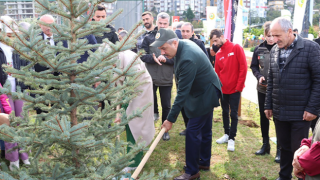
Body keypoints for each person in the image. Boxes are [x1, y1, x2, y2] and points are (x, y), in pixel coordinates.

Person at [152, 28, 221, 180]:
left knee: (192, 130)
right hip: (202, 88)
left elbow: (182, 93)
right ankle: (203, 161)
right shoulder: (181, 46)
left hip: (207, 92)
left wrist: (170, 119)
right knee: (204, 128)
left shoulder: (187, 58)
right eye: (160, 49)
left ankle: (192, 171)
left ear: (174, 43)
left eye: (164, 48)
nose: (162, 52)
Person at [264, 17, 320, 180]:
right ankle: (284, 176)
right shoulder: (275, 49)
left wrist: (312, 108)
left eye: (277, 35)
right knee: (284, 147)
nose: (274, 39)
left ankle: (301, 177)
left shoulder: (310, 48)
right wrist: (268, 104)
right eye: (272, 35)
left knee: (299, 150)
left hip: (301, 112)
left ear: (290, 32)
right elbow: (272, 78)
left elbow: (318, 79)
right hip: (280, 111)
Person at [104, 33, 155, 172]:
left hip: (139, 92)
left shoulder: (127, 56)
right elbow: (117, 86)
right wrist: (118, 112)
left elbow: (131, 82)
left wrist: (123, 106)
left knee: (135, 124)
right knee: (129, 123)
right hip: (130, 93)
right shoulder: (117, 58)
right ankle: (132, 156)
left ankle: (134, 163)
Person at [0, 16, 30, 170]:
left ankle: (25, 156)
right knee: (8, 124)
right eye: (7, 33)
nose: (10, 36)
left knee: (22, 122)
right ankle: (13, 159)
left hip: (19, 91)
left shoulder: (17, 47)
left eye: (12, 33)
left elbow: (25, 66)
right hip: (3, 92)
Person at [250, 21, 281, 163]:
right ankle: (265, 145)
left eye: (272, 35)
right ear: (264, 35)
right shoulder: (258, 49)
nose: (270, 38)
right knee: (264, 117)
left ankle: (280, 149)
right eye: (268, 36)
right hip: (262, 89)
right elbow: (254, 67)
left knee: (278, 119)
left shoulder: (281, 48)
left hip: (277, 90)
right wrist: (259, 76)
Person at [140, 12, 174, 141]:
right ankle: (148, 129)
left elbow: (177, 59)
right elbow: (142, 55)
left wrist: (166, 59)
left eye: (165, 24)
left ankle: (165, 130)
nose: (162, 26)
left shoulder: (173, 39)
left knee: (166, 105)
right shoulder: (149, 38)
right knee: (150, 103)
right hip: (151, 77)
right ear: (157, 22)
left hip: (166, 78)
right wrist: (153, 58)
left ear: (168, 24)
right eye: (160, 23)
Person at [213, 29, 247, 152]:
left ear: (222, 36)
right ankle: (226, 134)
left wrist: (239, 86)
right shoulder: (218, 54)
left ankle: (232, 138)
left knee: (234, 114)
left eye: (216, 40)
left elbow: (243, 68)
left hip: (235, 89)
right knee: (224, 112)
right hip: (223, 90)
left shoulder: (236, 47)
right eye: (213, 41)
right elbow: (216, 73)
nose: (215, 43)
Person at [178, 22, 209, 136]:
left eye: (187, 31)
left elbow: (206, 61)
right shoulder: (178, 44)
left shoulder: (199, 43)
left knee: (195, 106)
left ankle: (196, 128)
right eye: (183, 31)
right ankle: (188, 127)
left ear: (192, 32)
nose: (185, 34)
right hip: (183, 80)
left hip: (196, 81)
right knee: (183, 105)